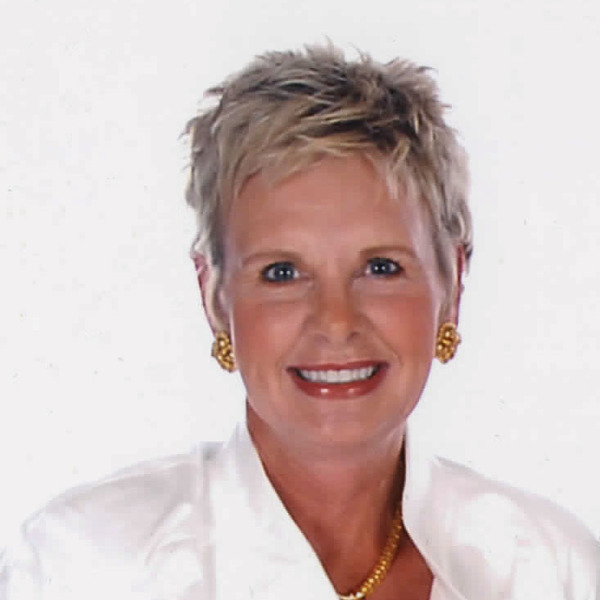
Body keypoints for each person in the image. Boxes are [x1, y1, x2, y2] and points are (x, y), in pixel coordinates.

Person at [1, 44, 598, 600]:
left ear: (454, 283)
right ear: (214, 295)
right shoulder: (81, 567)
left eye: (381, 267)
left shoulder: (550, 570)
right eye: (282, 273)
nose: (335, 322)